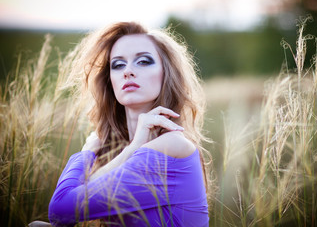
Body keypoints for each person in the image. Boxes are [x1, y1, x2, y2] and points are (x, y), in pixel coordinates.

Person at [48, 22, 210, 226]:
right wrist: (132, 148)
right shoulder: (127, 150)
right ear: (110, 81)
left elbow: (60, 210)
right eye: (118, 64)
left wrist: (85, 153)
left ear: (166, 73)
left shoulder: (171, 146)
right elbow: (75, 204)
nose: (128, 71)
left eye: (143, 61)